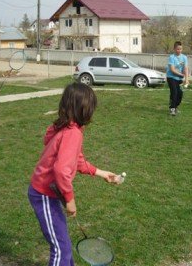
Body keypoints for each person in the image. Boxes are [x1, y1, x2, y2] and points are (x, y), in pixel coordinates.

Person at [28, 82, 120, 266]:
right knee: (61, 248)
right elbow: (61, 170)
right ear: (84, 109)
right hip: (44, 194)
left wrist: (101, 173)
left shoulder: (66, 128)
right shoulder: (72, 133)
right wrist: (70, 200)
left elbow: (76, 159)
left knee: (64, 244)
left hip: (48, 194)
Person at [166, 41, 189, 116]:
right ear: (174, 49)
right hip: (171, 77)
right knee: (174, 92)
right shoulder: (171, 57)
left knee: (180, 93)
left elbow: (185, 68)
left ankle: (176, 106)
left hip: (179, 78)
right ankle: (172, 109)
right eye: (177, 49)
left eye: (180, 49)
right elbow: (172, 70)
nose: (179, 50)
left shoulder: (184, 57)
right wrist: (181, 75)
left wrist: (186, 79)